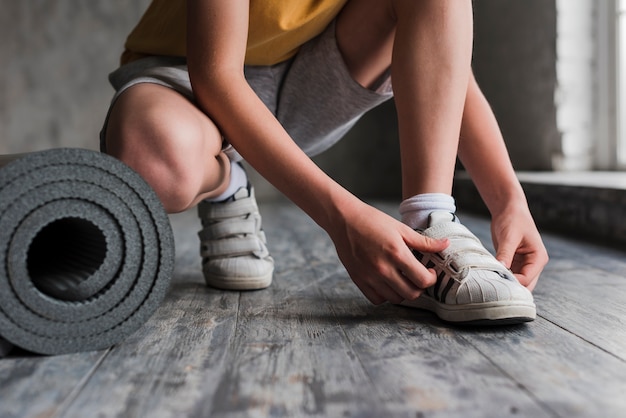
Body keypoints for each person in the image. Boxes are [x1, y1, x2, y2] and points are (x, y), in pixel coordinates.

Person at [101, 0, 549, 325]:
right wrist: (343, 219)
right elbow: (216, 76)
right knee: (150, 163)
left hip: (309, 75)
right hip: (193, 79)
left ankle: (431, 223)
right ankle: (225, 181)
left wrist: (508, 200)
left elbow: (443, 54)